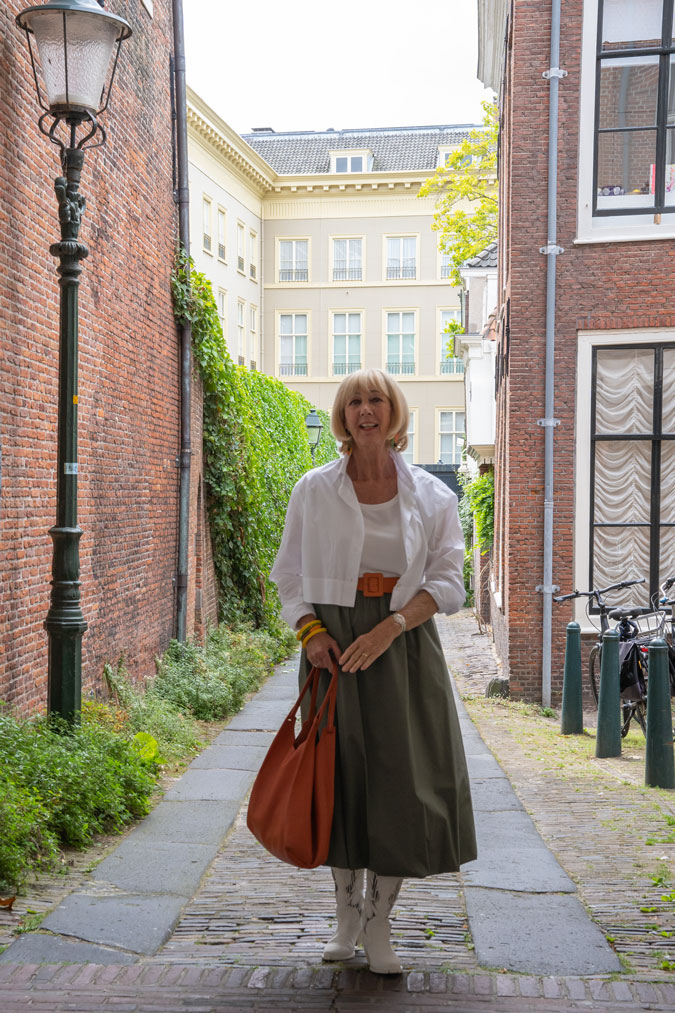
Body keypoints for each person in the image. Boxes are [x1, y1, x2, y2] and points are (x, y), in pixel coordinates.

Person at [270, 368, 476, 974]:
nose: (366, 410)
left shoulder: (434, 496)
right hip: (332, 647)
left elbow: (448, 582)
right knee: (338, 780)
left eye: (377, 400)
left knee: (400, 784)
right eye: (354, 401)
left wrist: (390, 627)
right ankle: (345, 917)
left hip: (405, 646)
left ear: (394, 411)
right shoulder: (313, 489)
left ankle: (380, 924)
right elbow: (288, 573)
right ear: (342, 414)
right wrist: (310, 634)